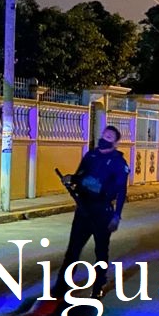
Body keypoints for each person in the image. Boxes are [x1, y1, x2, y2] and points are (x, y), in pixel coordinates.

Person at [54, 125, 130, 302]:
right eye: (104, 135)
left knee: (101, 252)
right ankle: (61, 287)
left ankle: (98, 286)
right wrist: (71, 178)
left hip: (102, 212)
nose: (104, 138)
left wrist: (116, 216)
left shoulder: (118, 162)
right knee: (72, 250)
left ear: (116, 142)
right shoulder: (91, 155)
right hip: (83, 209)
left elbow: (121, 191)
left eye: (109, 137)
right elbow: (80, 175)